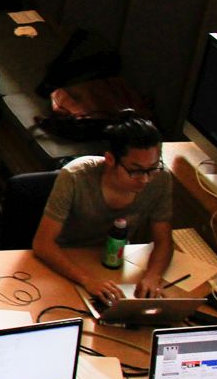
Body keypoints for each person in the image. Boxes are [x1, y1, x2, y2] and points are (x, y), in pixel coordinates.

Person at [31, 115, 174, 304]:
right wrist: (87, 281)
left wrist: (152, 276)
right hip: (67, 260)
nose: (145, 179)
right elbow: (43, 244)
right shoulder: (75, 177)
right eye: (135, 170)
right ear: (110, 159)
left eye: (152, 168)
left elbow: (164, 240)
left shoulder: (161, 180)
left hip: (111, 263)